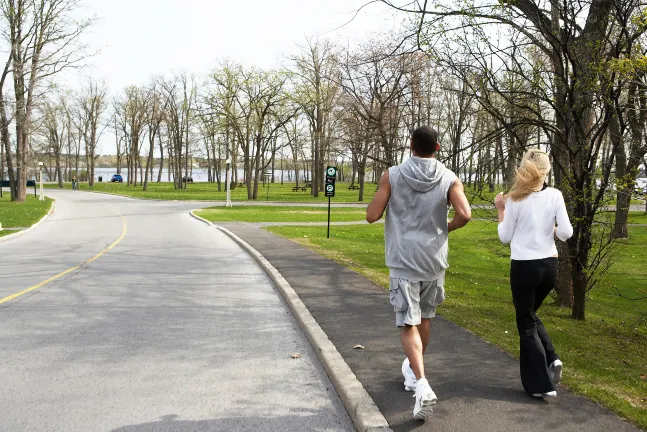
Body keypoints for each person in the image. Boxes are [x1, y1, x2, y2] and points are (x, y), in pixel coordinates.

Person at [366, 126, 472, 420]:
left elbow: (371, 215)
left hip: (403, 259)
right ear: (437, 148)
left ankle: (422, 384)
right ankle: (414, 371)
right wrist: (445, 228)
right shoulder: (450, 178)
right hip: (433, 259)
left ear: (410, 144)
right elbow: (465, 214)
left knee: (407, 323)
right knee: (424, 319)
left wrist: (383, 195)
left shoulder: (392, 175)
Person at [495, 149, 573, 398]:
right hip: (549, 267)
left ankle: (543, 385)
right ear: (547, 170)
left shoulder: (515, 199)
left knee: (526, 324)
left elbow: (505, 237)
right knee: (529, 315)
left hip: (525, 267)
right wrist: (552, 230)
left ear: (523, 168)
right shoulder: (556, 195)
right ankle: (551, 358)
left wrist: (500, 209)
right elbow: (567, 233)